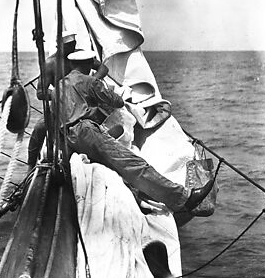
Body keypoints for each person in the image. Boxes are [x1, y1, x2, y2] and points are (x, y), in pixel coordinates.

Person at [56, 50, 214, 214]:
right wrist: (98, 73)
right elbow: (117, 102)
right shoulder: (89, 81)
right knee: (133, 164)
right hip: (87, 132)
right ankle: (184, 199)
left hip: (68, 137)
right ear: (89, 63)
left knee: (115, 167)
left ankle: (139, 201)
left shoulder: (59, 85)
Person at [27, 32, 108, 171]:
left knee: (104, 121)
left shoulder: (81, 56)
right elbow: (40, 92)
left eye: (73, 45)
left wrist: (93, 81)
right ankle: (30, 166)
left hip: (85, 102)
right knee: (40, 127)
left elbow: (103, 68)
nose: (72, 48)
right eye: (68, 46)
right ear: (59, 46)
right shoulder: (50, 63)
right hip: (62, 106)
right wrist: (61, 94)